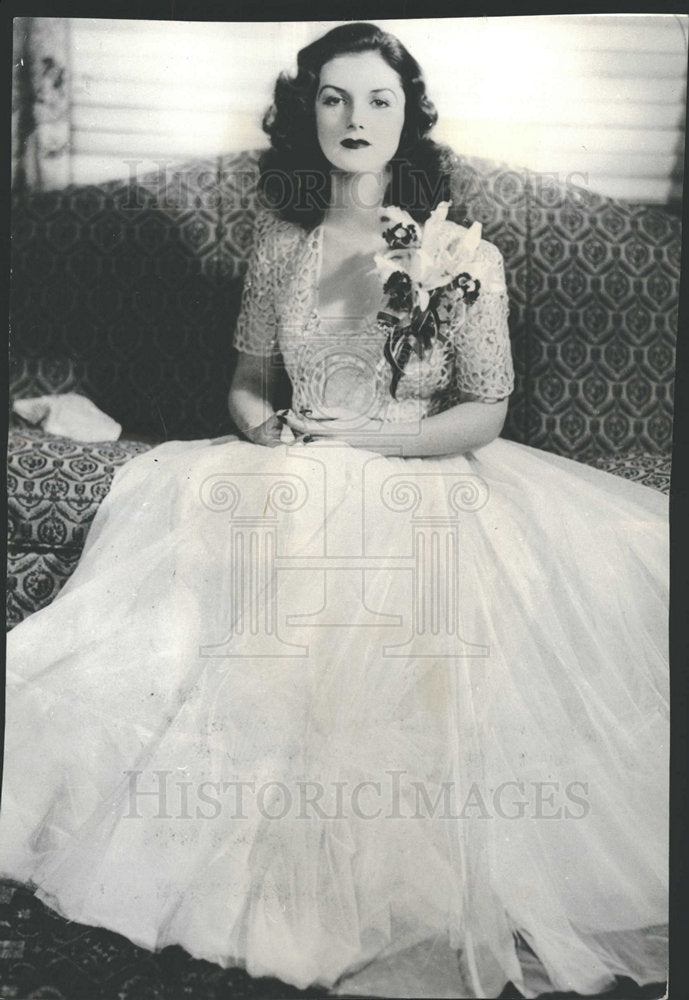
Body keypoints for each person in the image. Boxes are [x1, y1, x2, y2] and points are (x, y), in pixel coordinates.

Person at [0, 21, 668, 1000]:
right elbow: (244, 382)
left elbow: (485, 407)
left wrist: (381, 441)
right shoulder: (280, 248)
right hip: (295, 465)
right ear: (305, 115)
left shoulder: (455, 250)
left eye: (377, 100)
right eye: (334, 98)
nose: (355, 119)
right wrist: (264, 426)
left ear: (408, 119)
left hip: (420, 470)